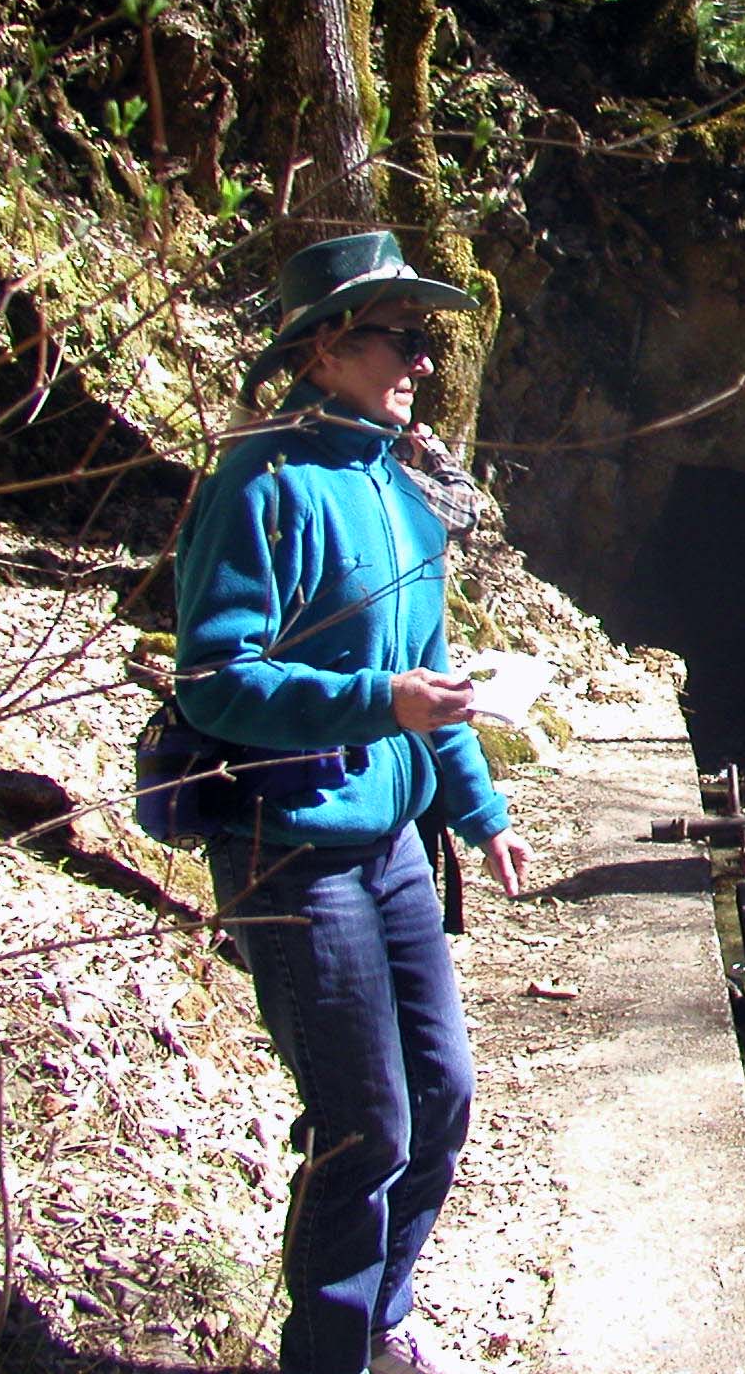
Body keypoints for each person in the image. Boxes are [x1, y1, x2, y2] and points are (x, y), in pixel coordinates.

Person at [179, 231, 530, 1374]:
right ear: (326, 347)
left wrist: (477, 813)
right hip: (289, 849)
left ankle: (377, 1323)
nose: (421, 363)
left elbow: (436, 674)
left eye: (424, 341)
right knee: (364, 1123)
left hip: (390, 848)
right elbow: (217, 681)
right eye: (400, 338)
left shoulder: (402, 490)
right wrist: (377, 699)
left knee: (441, 1099)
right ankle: (328, 1352)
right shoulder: (260, 484)